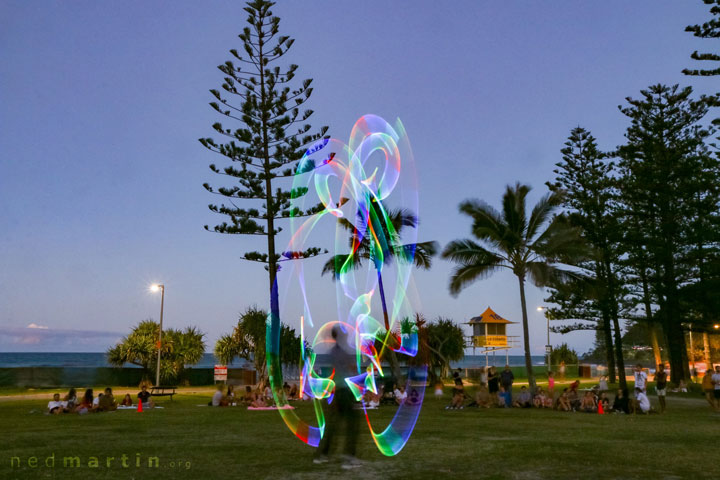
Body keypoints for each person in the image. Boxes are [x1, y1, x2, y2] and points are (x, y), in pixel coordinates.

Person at [315, 325, 362, 469]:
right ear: (340, 336)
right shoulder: (343, 353)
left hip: (339, 392)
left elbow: (336, 373)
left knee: (333, 425)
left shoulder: (334, 352)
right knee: (352, 424)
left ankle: (322, 454)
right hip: (345, 393)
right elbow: (351, 369)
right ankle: (349, 457)